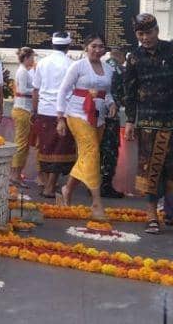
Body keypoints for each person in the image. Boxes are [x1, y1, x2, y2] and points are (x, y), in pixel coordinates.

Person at [122, 12, 173, 234]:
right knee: (151, 171)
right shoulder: (133, 58)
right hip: (149, 123)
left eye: (149, 33)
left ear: (157, 31)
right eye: (141, 34)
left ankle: (171, 209)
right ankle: (151, 216)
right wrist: (130, 120)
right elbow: (128, 92)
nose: (145, 38)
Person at [56, 34, 116, 219]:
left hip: (98, 117)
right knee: (92, 152)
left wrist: (112, 103)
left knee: (86, 156)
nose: (98, 50)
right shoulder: (78, 66)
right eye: (94, 46)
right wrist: (60, 118)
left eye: (101, 47)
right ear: (86, 47)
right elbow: (63, 90)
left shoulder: (108, 69)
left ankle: (67, 189)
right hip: (77, 114)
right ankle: (96, 202)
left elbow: (107, 93)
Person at [30, 32, 77, 198]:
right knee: (59, 149)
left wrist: (34, 110)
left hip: (44, 109)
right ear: (68, 46)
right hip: (63, 111)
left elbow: (35, 89)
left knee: (46, 146)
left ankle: (45, 182)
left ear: (52, 44)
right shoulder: (72, 64)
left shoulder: (42, 63)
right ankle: (50, 185)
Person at [98, 45, 129, 199]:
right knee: (110, 149)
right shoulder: (122, 71)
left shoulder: (98, 66)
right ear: (122, 56)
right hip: (111, 115)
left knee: (95, 148)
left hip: (94, 114)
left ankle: (92, 183)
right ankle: (105, 185)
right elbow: (125, 96)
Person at [10, 47, 37, 186]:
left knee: (24, 144)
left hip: (25, 109)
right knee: (21, 143)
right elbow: (21, 90)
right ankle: (14, 174)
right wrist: (36, 90)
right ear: (26, 58)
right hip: (22, 109)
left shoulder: (26, 71)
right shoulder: (22, 71)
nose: (33, 60)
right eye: (32, 57)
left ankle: (18, 172)